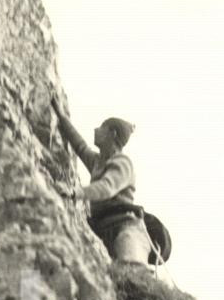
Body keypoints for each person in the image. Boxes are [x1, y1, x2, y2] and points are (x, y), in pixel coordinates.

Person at [51, 97, 154, 266]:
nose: (96, 130)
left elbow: (107, 188)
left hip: (126, 227)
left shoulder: (123, 162)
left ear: (112, 134)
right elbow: (79, 145)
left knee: (133, 273)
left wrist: (75, 192)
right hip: (102, 228)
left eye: (101, 128)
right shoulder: (98, 161)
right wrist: (61, 117)